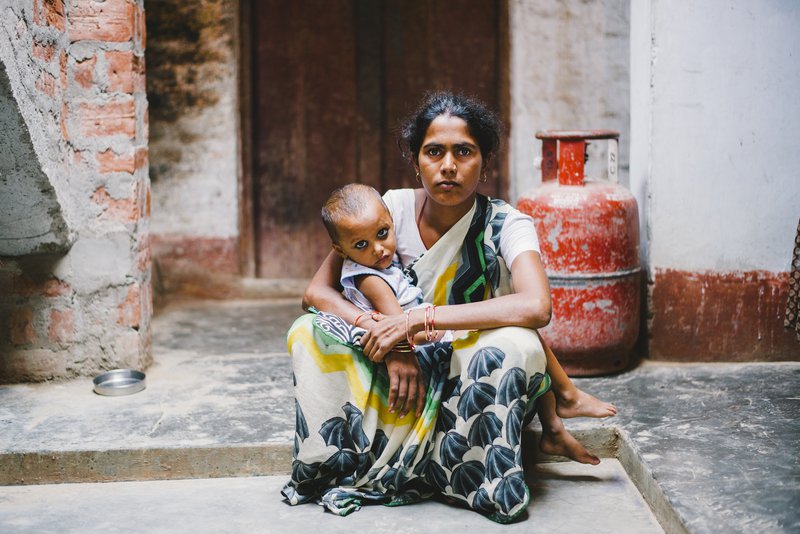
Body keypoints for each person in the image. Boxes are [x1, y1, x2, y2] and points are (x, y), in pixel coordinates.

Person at [283, 92, 615, 523]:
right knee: (308, 331)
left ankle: (469, 472)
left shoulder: (506, 224)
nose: (448, 166)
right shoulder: (390, 210)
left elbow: (536, 306)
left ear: (485, 159)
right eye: (434, 151)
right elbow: (317, 293)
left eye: (464, 151)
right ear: (415, 159)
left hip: (463, 361)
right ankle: (339, 462)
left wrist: (418, 319)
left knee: (518, 342)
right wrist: (389, 336)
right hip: (393, 370)